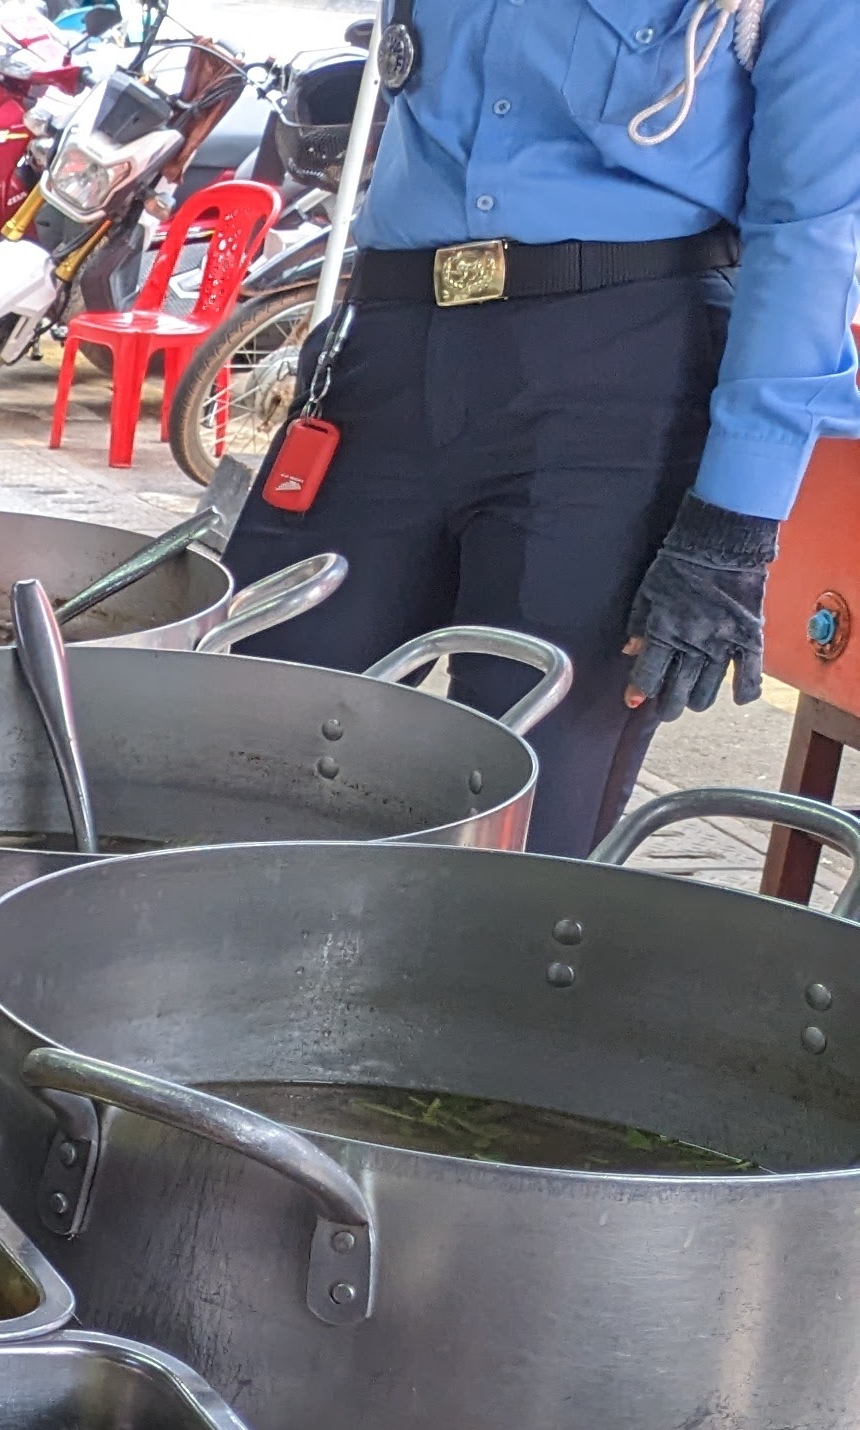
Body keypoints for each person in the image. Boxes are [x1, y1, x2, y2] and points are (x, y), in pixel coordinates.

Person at [217, 0, 860, 856]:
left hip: (622, 379)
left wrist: (732, 526)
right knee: (245, 744)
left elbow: (811, 230)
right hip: (388, 344)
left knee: (524, 817)